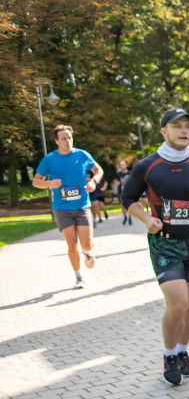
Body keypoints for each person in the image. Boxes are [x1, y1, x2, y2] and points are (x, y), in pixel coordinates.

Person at [119, 108, 189, 385]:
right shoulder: (147, 165)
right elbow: (127, 197)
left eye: (187, 126)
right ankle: (169, 355)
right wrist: (145, 218)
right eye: (177, 126)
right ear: (163, 131)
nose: (184, 131)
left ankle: (182, 351)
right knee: (178, 303)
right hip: (164, 243)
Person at [32, 124, 103, 289]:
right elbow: (36, 181)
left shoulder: (82, 155)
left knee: (87, 243)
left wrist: (93, 181)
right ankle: (79, 277)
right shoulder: (49, 159)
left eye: (69, 137)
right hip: (62, 207)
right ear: (57, 141)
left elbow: (98, 170)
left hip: (82, 206)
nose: (68, 141)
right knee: (72, 244)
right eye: (64, 138)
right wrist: (49, 183)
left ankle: (87, 253)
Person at [113, 160, 134, 225]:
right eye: (121, 165)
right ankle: (125, 217)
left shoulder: (130, 173)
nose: (122, 166)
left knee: (130, 205)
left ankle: (130, 218)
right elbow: (115, 181)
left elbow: (134, 181)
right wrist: (117, 183)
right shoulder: (118, 174)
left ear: (126, 165)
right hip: (121, 192)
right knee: (122, 205)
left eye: (123, 164)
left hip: (129, 191)